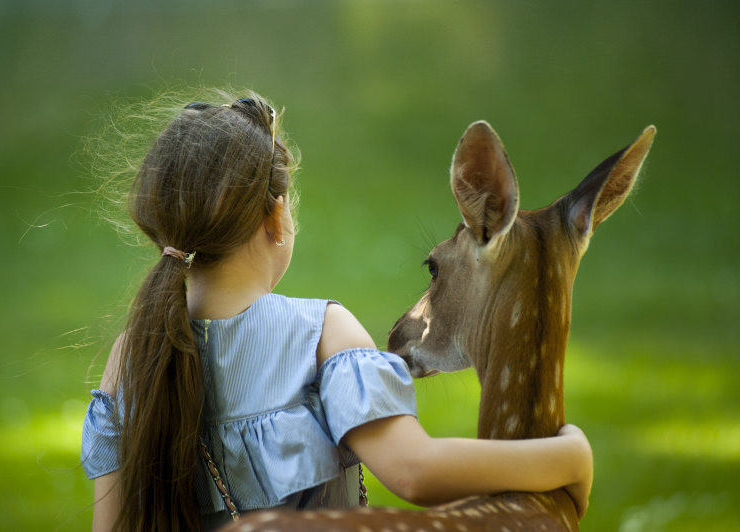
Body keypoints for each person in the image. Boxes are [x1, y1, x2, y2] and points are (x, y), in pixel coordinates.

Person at [81, 91, 593, 532]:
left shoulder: (133, 353)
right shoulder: (320, 332)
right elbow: (415, 471)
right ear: (276, 218)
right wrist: (569, 456)